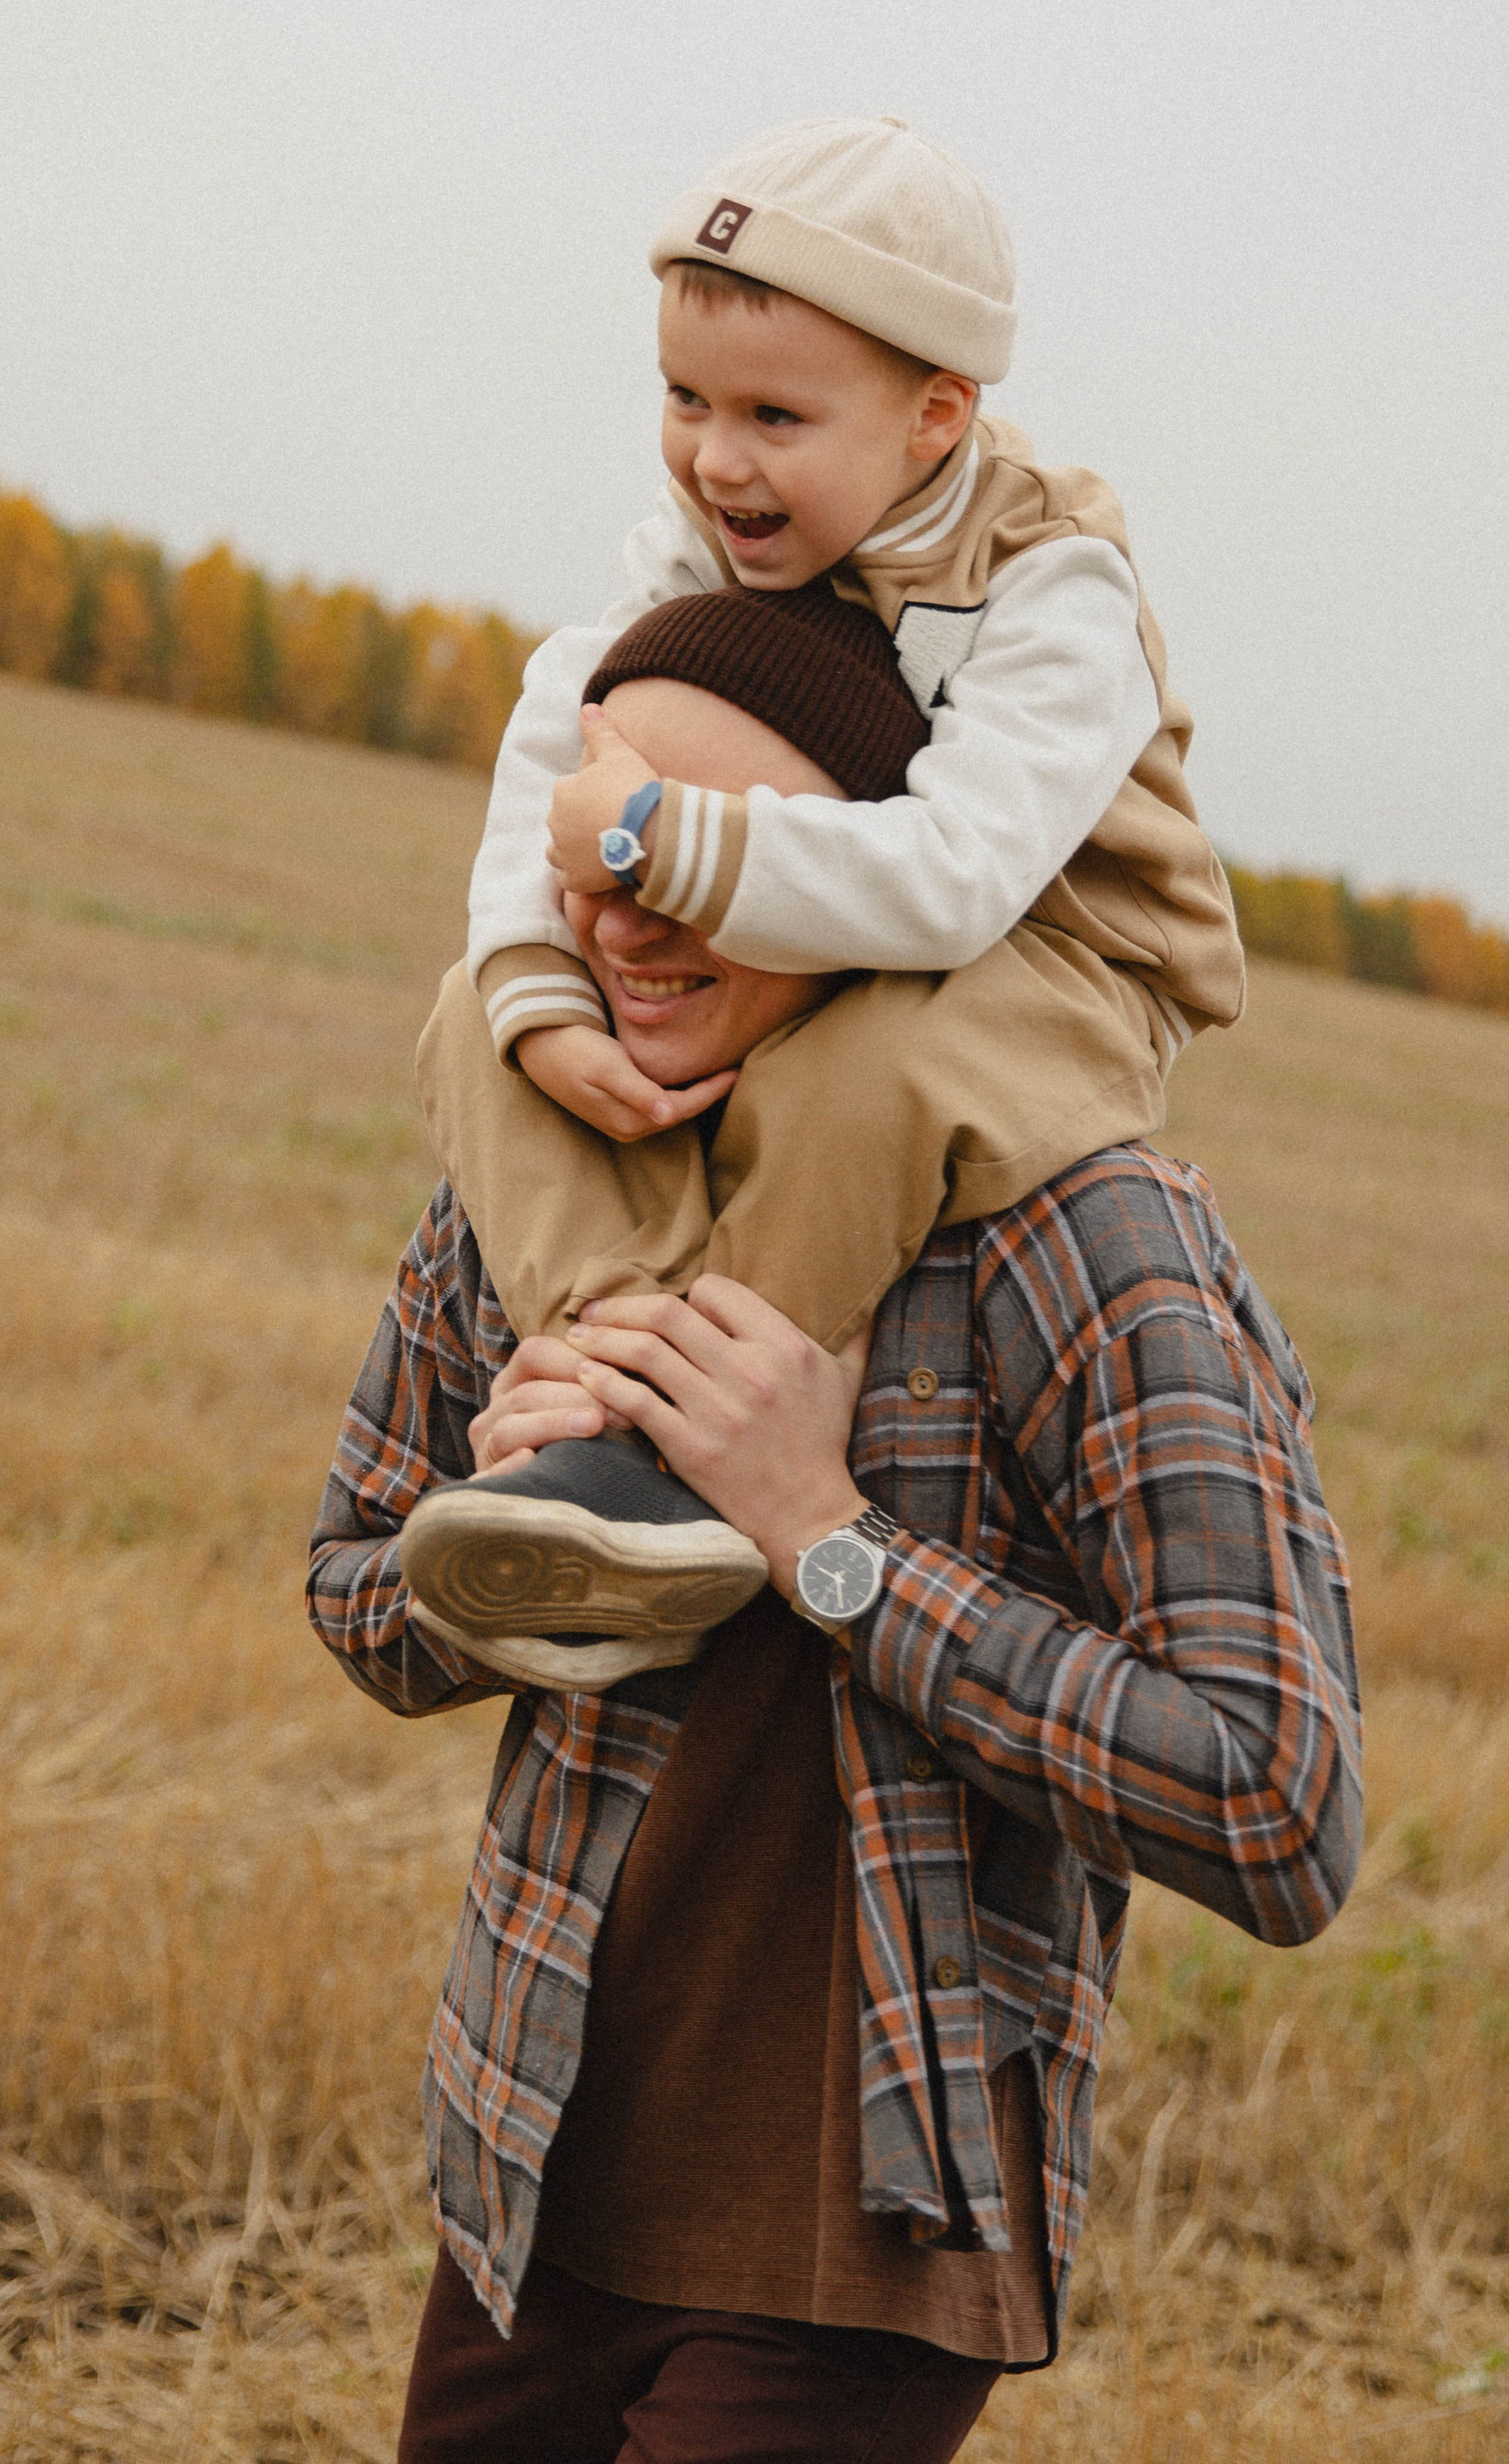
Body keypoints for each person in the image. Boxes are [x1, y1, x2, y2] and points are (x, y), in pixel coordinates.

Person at [307, 660, 1363, 2464]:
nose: (616, 907)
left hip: (866, 2232)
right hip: (529, 2167)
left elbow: (1273, 1807)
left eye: (705, 848)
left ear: (872, 872)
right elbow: (355, 1600)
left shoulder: (1088, 1234)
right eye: (594, 833)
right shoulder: (543, 1181)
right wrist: (479, 1544)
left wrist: (828, 1539)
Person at [419, 114, 1247, 1394]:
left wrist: (655, 837)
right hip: (824, 918)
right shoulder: (716, 521)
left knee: (857, 1082)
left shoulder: (1052, 579)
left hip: (1058, 955)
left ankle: (709, 1400)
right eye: (684, 397)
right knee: (482, 1017)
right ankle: (602, 1359)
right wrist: (535, 975)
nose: (714, 457)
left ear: (935, 415)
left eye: (774, 415)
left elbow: (959, 877)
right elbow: (567, 715)